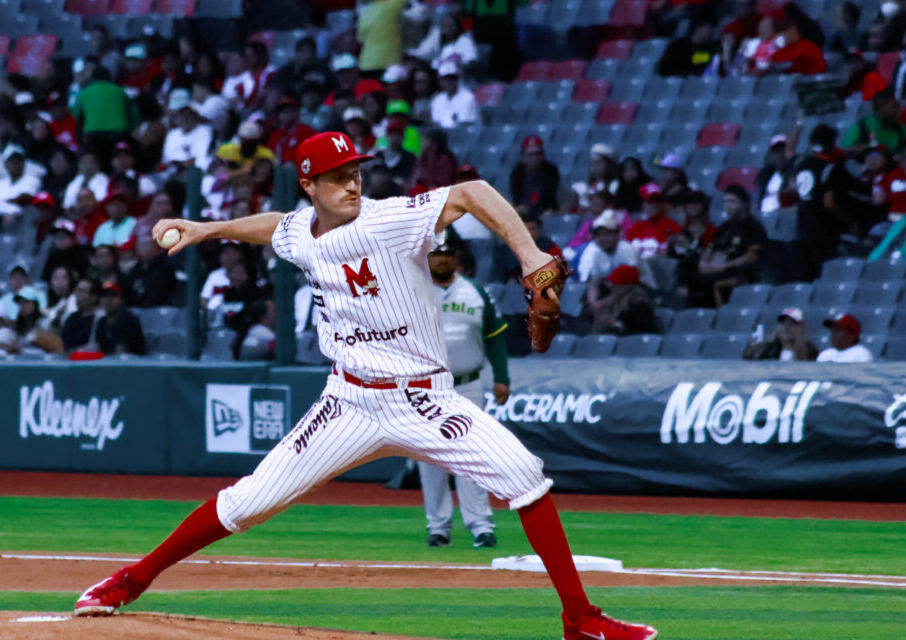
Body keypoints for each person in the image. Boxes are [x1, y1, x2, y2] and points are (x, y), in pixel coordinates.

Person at [75, 131, 658, 640]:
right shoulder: (301, 230)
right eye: (336, 178)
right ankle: (132, 578)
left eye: (354, 171)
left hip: (425, 400)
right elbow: (275, 227)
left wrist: (529, 253)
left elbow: (472, 191)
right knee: (248, 502)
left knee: (526, 477)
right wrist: (208, 229)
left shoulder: (391, 219)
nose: (351, 184)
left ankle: (580, 620)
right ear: (309, 185)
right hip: (347, 403)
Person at [421, 243, 508, 549]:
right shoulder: (411, 291)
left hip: (468, 384)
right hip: (425, 387)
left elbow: (495, 337)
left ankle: (480, 525)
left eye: (447, 254)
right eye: (436, 254)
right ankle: (438, 526)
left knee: (473, 454)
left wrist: (502, 378)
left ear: (456, 259)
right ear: (426, 257)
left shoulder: (476, 292)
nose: (442, 259)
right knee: (430, 457)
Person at [794, 125, 855, 281]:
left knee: (810, 277)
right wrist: (849, 221)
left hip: (803, 226)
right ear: (831, 144)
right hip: (824, 228)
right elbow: (829, 203)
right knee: (828, 274)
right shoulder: (830, 168)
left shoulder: (802, 165)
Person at [589, 265, 657, 336]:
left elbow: (643, 335)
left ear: (626, 286)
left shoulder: (640, 305)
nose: (612, 286)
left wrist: (614, 324)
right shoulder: (616, 302)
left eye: (616, 283)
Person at [625, 183, 683, 259]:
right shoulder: (636, 227)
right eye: (650, 201)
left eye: (658, 201)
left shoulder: (673, 227)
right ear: (643, 205)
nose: (654, 205)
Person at [841, 91, 906, 155]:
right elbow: (844, 148)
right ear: (879, 110)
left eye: (898, 106)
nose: (899, 110)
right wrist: (870, 148)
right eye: (894, 106)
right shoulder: (861, 126)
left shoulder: (901, 130)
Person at [743, 307, 818, 361]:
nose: (786, 326)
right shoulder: (769, 351)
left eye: (792, 322)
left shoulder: (811, 352)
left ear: (801, 327)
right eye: (783, 321)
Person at [96, 281, 145, 355]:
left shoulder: (129, 319)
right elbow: (97, 347)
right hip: (107, 362)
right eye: (104, 296)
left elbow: (121, 351)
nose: (108, 300)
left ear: (122, 299)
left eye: (113, 295)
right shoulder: (102, 322)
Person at [429, 61, 478, 130]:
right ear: (440, 81)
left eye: (452, 78)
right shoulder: (437, 99)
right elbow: (435, 123)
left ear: (457, 79)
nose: (449, 81)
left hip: (463, 137)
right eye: (446, 78)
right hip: (441, 137)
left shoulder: (468, 97)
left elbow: (464, 124)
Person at [61, 278, 105, 353]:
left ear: (93, 297)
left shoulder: (101, 318)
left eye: (82, 291)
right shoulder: (72, 318)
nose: (77, 295)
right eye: (77, 290)